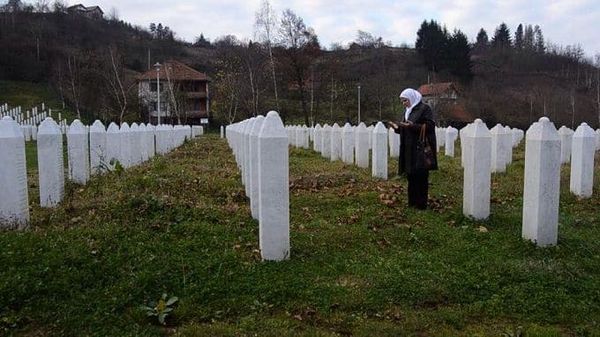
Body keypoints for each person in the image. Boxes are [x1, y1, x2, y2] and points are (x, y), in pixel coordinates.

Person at [388, 88, 437, 209]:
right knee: (411, 176)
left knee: (420, 176)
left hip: (419, 148)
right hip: (409, 149)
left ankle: (421, 204)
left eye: (405, 100)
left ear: (412, 98)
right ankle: (412, 203)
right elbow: (406, 129)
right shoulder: (408, 111)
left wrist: (412, 126)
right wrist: (397, 128)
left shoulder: (425, 109)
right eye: (402, 101)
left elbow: (430, 126)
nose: (404, 103)